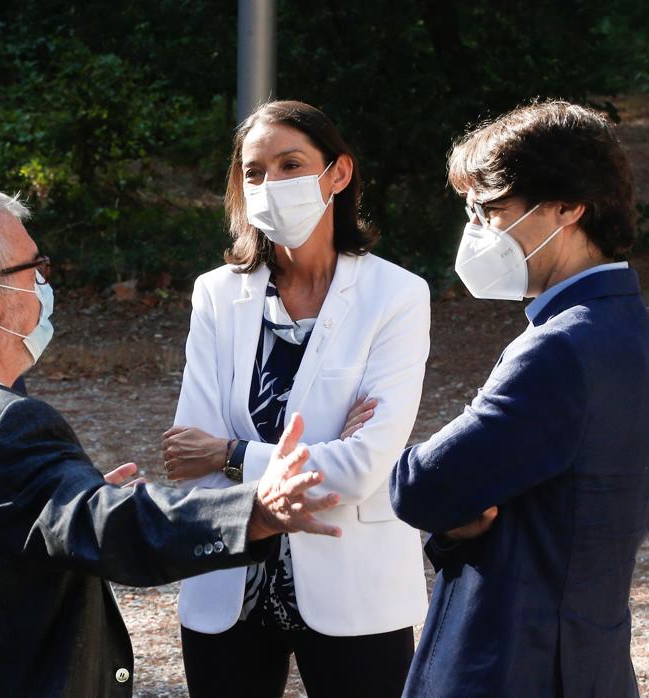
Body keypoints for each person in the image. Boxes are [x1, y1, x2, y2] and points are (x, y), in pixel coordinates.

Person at [0, 185, 347, 697]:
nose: (42, 281)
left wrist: (66, 496)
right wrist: (254, 511)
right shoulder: (6, 425)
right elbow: (118, 531)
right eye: (33, 267)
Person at [390, 100, 649, 697]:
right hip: (588, 660)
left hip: (511, 662)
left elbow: (420, 486)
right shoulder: (642, 335)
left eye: (491, 210)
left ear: (568, 207)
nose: (477, 231)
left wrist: (449, 509)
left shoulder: (560, 346)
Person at [161, 101, 430, 698]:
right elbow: (185, 454)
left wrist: (231, 453)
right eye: (254, 172)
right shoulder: (215, 294)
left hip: (354, 582)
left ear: (337, 173)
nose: (270, 184)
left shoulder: (398, 295)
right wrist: (321, 449)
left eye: (290, 165)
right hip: (227, 576)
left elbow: (362, 469)